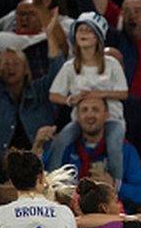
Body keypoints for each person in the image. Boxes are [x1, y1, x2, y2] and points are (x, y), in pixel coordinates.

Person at [0, 9, 65, 153]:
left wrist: (50, 34)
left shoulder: (40, 90)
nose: (10, 68)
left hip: (41, 163)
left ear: (26, 69)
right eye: (6, 64)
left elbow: (57, 69)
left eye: (16, 64)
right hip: (1, 166)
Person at [48, 12, 128, 183]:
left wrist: (99, 94)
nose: (83, 34)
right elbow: (54, 95)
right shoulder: (70, 66)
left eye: (88, 30)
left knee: (114, 145)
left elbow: (124, 93)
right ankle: (50, 182)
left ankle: (115, 186)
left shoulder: (111, 64)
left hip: (112, 118)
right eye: (80, 30)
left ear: (98, 37)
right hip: (81, 119)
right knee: (61, 141)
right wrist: (71, 100)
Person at [40, 96, 141, 211]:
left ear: (107, 115)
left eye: (95, 110)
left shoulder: (125, 150)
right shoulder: (64, 148)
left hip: (111, 222)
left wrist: (114, 185)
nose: (90, 115)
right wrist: (37, 148)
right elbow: (41, 180)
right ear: (77, 116)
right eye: (84, 110)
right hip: (70, 218)